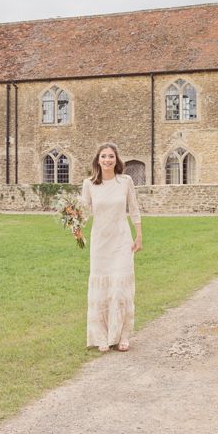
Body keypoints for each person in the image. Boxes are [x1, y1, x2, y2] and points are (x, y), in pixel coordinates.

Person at [80, 143, 142, 352]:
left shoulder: (125, 181)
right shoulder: (89, 184)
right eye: (104, 156)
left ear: (117, 160)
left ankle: (123, 335)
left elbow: (133, 208)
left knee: (120, 288)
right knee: (102, 291)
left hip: (122, 240)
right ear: (98, 160)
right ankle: (102, 336)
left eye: (111, 157)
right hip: (100, 243)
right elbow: (83, 211)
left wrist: (139, 235)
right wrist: (76, 229)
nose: (107, 160)